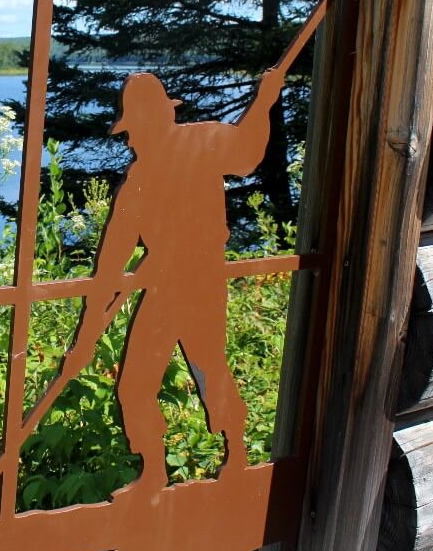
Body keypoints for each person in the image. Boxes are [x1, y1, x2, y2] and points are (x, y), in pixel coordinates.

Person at [90, 66, 288, 491]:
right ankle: (167, 471)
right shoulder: (143, 177)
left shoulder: (198, 144)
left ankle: (231, 458)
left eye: (133, 130)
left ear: (148, 124)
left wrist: (266, 100)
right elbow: (113, 256)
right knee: (148, 382)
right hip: (172, 282)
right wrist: (93, 315)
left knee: (201, 370)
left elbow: (248, 153)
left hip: (193, 281)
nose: (131, 140)